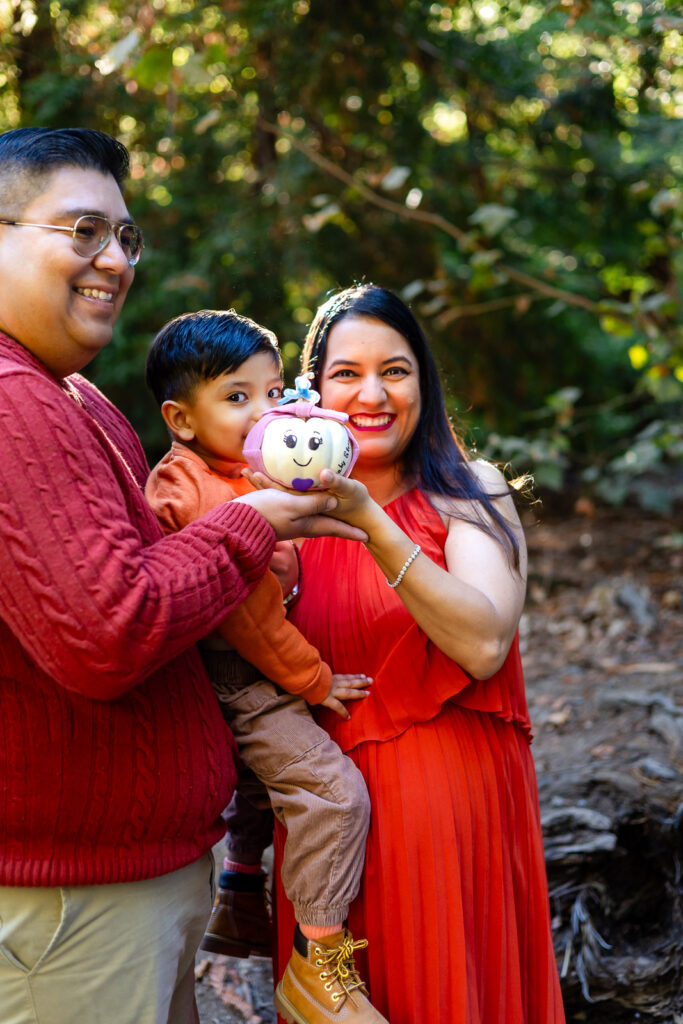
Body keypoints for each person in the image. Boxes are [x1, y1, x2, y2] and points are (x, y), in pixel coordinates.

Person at [0, 127, 365, 1024]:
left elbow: (142, 574)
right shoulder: (12, 402)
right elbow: (108, 632)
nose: (115, 260)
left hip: (131, 886)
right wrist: (250, 524)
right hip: (70, 914)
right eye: (83, 231)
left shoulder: (70, 396)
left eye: (125, 237)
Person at [268, 284, 566, 1024]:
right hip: (327, 840)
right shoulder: (279, 513)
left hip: (452, 828)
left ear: (423, 385)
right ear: (314, 388)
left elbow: (484, 643)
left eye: (395, 371)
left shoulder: (469, 492)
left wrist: (372, 521)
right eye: (347, 373)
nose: (372, 393)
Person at [144, 308, 389, 1024]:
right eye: (237, 397)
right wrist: (313, 679)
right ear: (180, 419)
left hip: (246, 662)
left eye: (274, 392)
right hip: (241, 674)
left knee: (259, 791)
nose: (265, 410)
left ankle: (242, 899)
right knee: (333, 794)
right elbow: (247, 619)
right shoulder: (191, 489)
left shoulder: (240, 469)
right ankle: (320, 963)